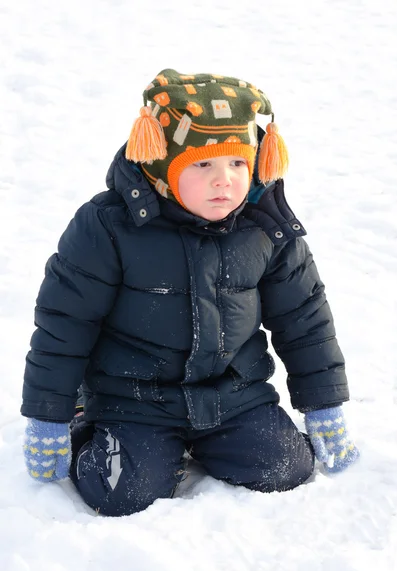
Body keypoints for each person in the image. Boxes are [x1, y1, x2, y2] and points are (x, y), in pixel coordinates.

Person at [21, 69, 359, 516]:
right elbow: (65, 324)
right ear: (163, 167)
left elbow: (305, 319)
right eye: (203, 165)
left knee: (284, 469)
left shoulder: (266, 225)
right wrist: (49, 413)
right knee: (125, 493)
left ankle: (206, 444)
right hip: (133, 399)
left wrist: (324, 404)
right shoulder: (107, 227)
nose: (225, 181)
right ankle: (95, 422)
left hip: (233, 395)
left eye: (238, 163)